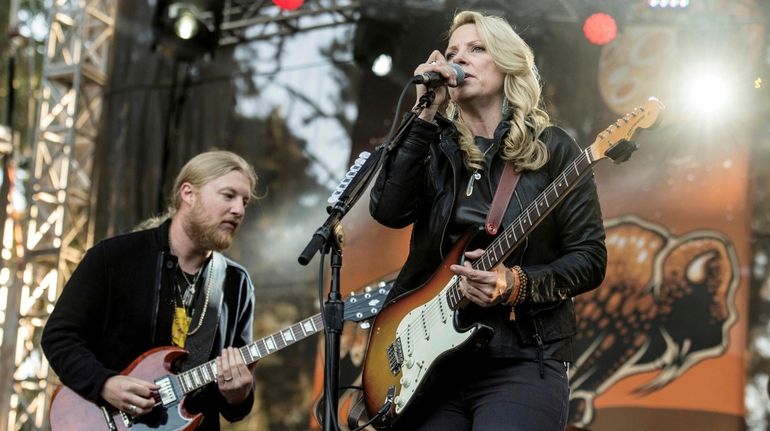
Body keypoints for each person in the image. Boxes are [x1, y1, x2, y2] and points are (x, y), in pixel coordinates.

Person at [369, 10, 607, 431]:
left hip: (522, 358)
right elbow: (388, 210)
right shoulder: (437, 147)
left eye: (477, 49)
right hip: (431, 369)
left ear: (509, 64)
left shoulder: (555, 150)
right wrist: (425, 115)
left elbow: (589, 259)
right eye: (453, 51)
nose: (459, 60)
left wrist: (514, 283)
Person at [41, 151, 259, 430]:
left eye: (245, 202)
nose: (239, 210)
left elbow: (232, 405)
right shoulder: (114, 257)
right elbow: (59, 336)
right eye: (228, 196)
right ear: (188, 194)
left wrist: (238, 395)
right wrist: (104, 383)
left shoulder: (236, 284)